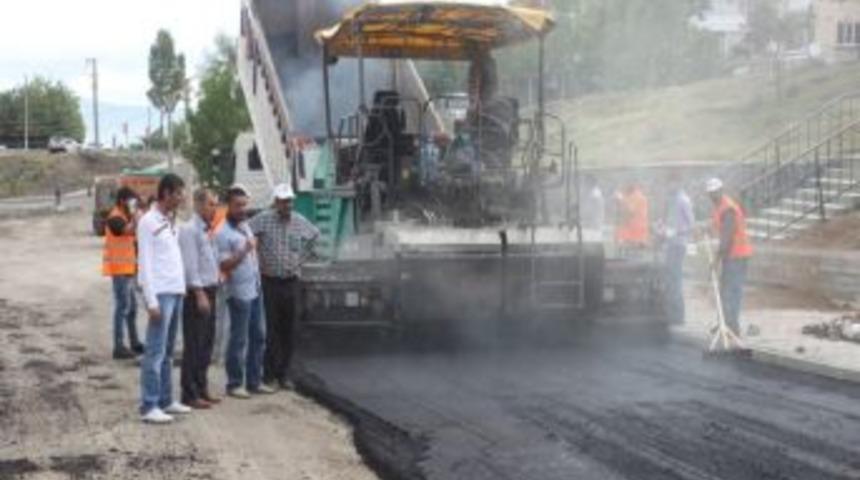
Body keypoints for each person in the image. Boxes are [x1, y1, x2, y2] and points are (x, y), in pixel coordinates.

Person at [249, 183, 320, 390]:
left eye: (289, 201)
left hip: (291, 282)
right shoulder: (264, 219)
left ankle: (284, 374)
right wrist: (255, 256)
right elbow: (246, 231)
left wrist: (301, 259)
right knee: (270, 329)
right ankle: (268, 374)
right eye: (282, 201)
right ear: (276, 202)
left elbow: (315, 235)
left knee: (289, 330)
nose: (286, 205)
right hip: (269, 282)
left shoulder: (299, 222)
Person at [137, 173, 192, 424]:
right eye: (179, 193)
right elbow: (145, 263)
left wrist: (182, 288)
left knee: (169, 352)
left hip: (175, 291)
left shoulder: (171, 221)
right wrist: (151, 301)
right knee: (155, 352)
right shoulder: (148, 222)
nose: (182, 198)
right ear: (167, 193)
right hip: (160, 293)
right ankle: (149, 405)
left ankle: (166, 400)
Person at [217, 185, 274, 399]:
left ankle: (254, 381)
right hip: (239, 291)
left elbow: (252, 252)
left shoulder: (245, 225)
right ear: (228, 206)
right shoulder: (223, 232)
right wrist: (244, 250)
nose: (242, 209)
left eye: (244, 205)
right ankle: (234, 383)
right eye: (238, 205)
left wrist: (258, 265)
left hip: (255, 287)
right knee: (239, 339)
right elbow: (224, 266)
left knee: (258, 336)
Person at [178, 188, 222, 409]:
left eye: (215, 204)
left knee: (206, 344)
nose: (215, 208)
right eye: (211, 204)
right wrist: (199, 293)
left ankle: (202, 387)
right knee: (194, 344)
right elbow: (190, 265)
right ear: (198, 205)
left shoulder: (206, 230)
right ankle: (189, 393)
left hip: (210, 290)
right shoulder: (189, 230)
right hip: (198, 294)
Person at [706, 178, 753, 336]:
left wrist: (716, 260)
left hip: (737, 255)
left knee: (731, 291)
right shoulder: (720, 206)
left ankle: (732, 328)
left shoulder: (728, 209)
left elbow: (726, 238)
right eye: (710, 194)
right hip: (731, 255)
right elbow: (716, 226)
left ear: (721, 191)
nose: (712, 196)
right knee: (724, 290)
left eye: (715, 193)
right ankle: (723, 324)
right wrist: (706, 229)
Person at [102, 186, 144, 360]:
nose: (132, 205)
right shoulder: (115, 218)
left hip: (129, 269)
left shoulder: (125, 216)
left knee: (132, 308)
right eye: (130, 201)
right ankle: (118, 346)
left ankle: (134, 342)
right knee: (122, 307)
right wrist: (136, 217)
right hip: (119, 271)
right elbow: (127, 230)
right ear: (121, 201)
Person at [659, 174, 695, 325]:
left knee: (676, 280)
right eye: (668, 184)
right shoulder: (671, 199)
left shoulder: (683, 200)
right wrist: (661, 226)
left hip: (679, 244)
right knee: (670, 280)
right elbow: (668, 219)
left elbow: (691, 225)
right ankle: (671, 315)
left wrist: (677, 231)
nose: (669, 187)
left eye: (671, 183)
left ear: (678, 183)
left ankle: (679, 317)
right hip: (670, 243)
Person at [615, 183, 650, 252]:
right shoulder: (641, 196)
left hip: (634, 226)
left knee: (629, 246)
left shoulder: (634, 197)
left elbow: (631, 210)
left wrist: (621, 200)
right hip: (640, 226)